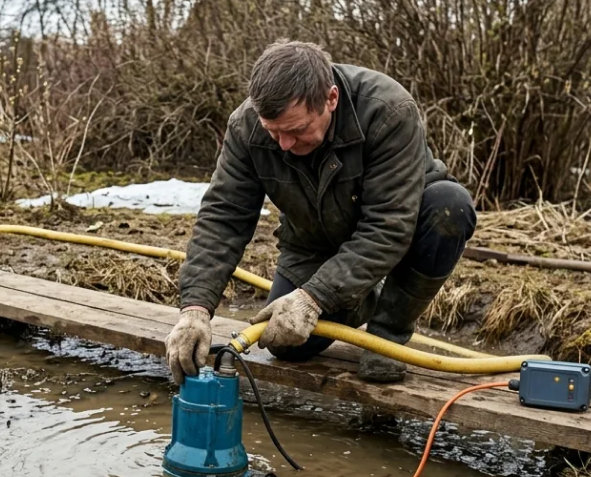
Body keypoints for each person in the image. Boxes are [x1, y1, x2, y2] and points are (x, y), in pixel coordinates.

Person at [164, 40, 476, 385]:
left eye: (296, 130)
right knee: (288, 345)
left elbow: (388, 226)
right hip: (314, 244)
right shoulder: (245, 126)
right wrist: (194, 309)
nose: (283, 144)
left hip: (401, 233)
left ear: (331, 99)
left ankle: (389, 331)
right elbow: (223, 217)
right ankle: (360, 299)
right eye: (273, 132)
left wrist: (314, 298)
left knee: (451, 206)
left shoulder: (388, 110)